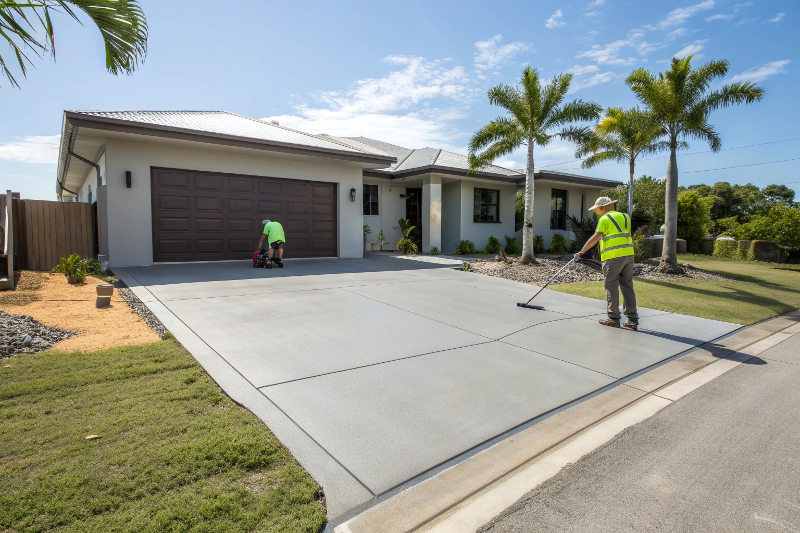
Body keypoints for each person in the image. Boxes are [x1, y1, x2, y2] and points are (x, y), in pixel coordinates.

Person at [574, 197, 639, 331]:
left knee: (611, 284)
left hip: (613, 257)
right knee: (627, 285)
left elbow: (595, 238)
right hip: (628, 255)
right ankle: (632, 320)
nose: (596, 212)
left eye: (597, 209)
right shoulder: (625, 217)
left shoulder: (604, 219)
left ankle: (613, 318)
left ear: (602, 207)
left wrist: (581, 252)